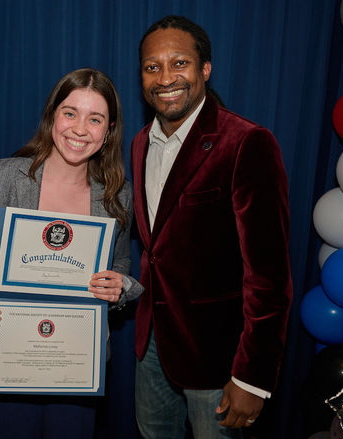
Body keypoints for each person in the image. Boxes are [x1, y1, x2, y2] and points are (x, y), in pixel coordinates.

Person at [0, 68, 143, 439]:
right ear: (52, 116)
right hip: (6, 354)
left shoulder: (117, 196)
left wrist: (118, 285)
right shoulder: (3, 177)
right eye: (70, 113)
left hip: (75, 363)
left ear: (108, 132)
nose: (80, 128)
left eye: (95, 119)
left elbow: (120, 262)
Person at [130, 16, 293, 438]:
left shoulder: (246, 142)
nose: (165, 78)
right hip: (152, 347)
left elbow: (269, 275)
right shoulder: (139, 142)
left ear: (205, 69)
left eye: (179, 62)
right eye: (152, 67)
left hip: (220, 358)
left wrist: (252, 376)